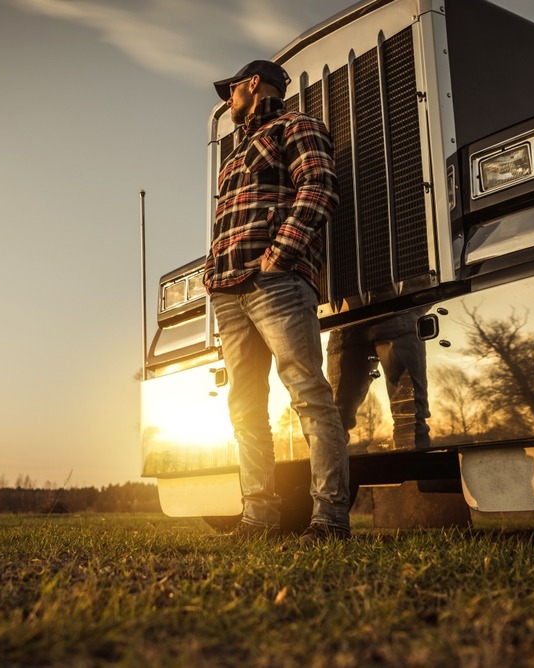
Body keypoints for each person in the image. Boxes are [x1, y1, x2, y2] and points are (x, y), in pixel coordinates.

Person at [203, 60, 350, 543]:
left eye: (232, 91)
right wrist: (212, 274)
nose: (228, 101)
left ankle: (329, 520)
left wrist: (279, 255)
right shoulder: (233, 155)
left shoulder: (296, 125)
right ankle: (258, 519)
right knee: (244, 408)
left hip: (276, 283)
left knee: (308, 394)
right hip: (228, 289)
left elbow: (320, 187)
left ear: (252, 84)